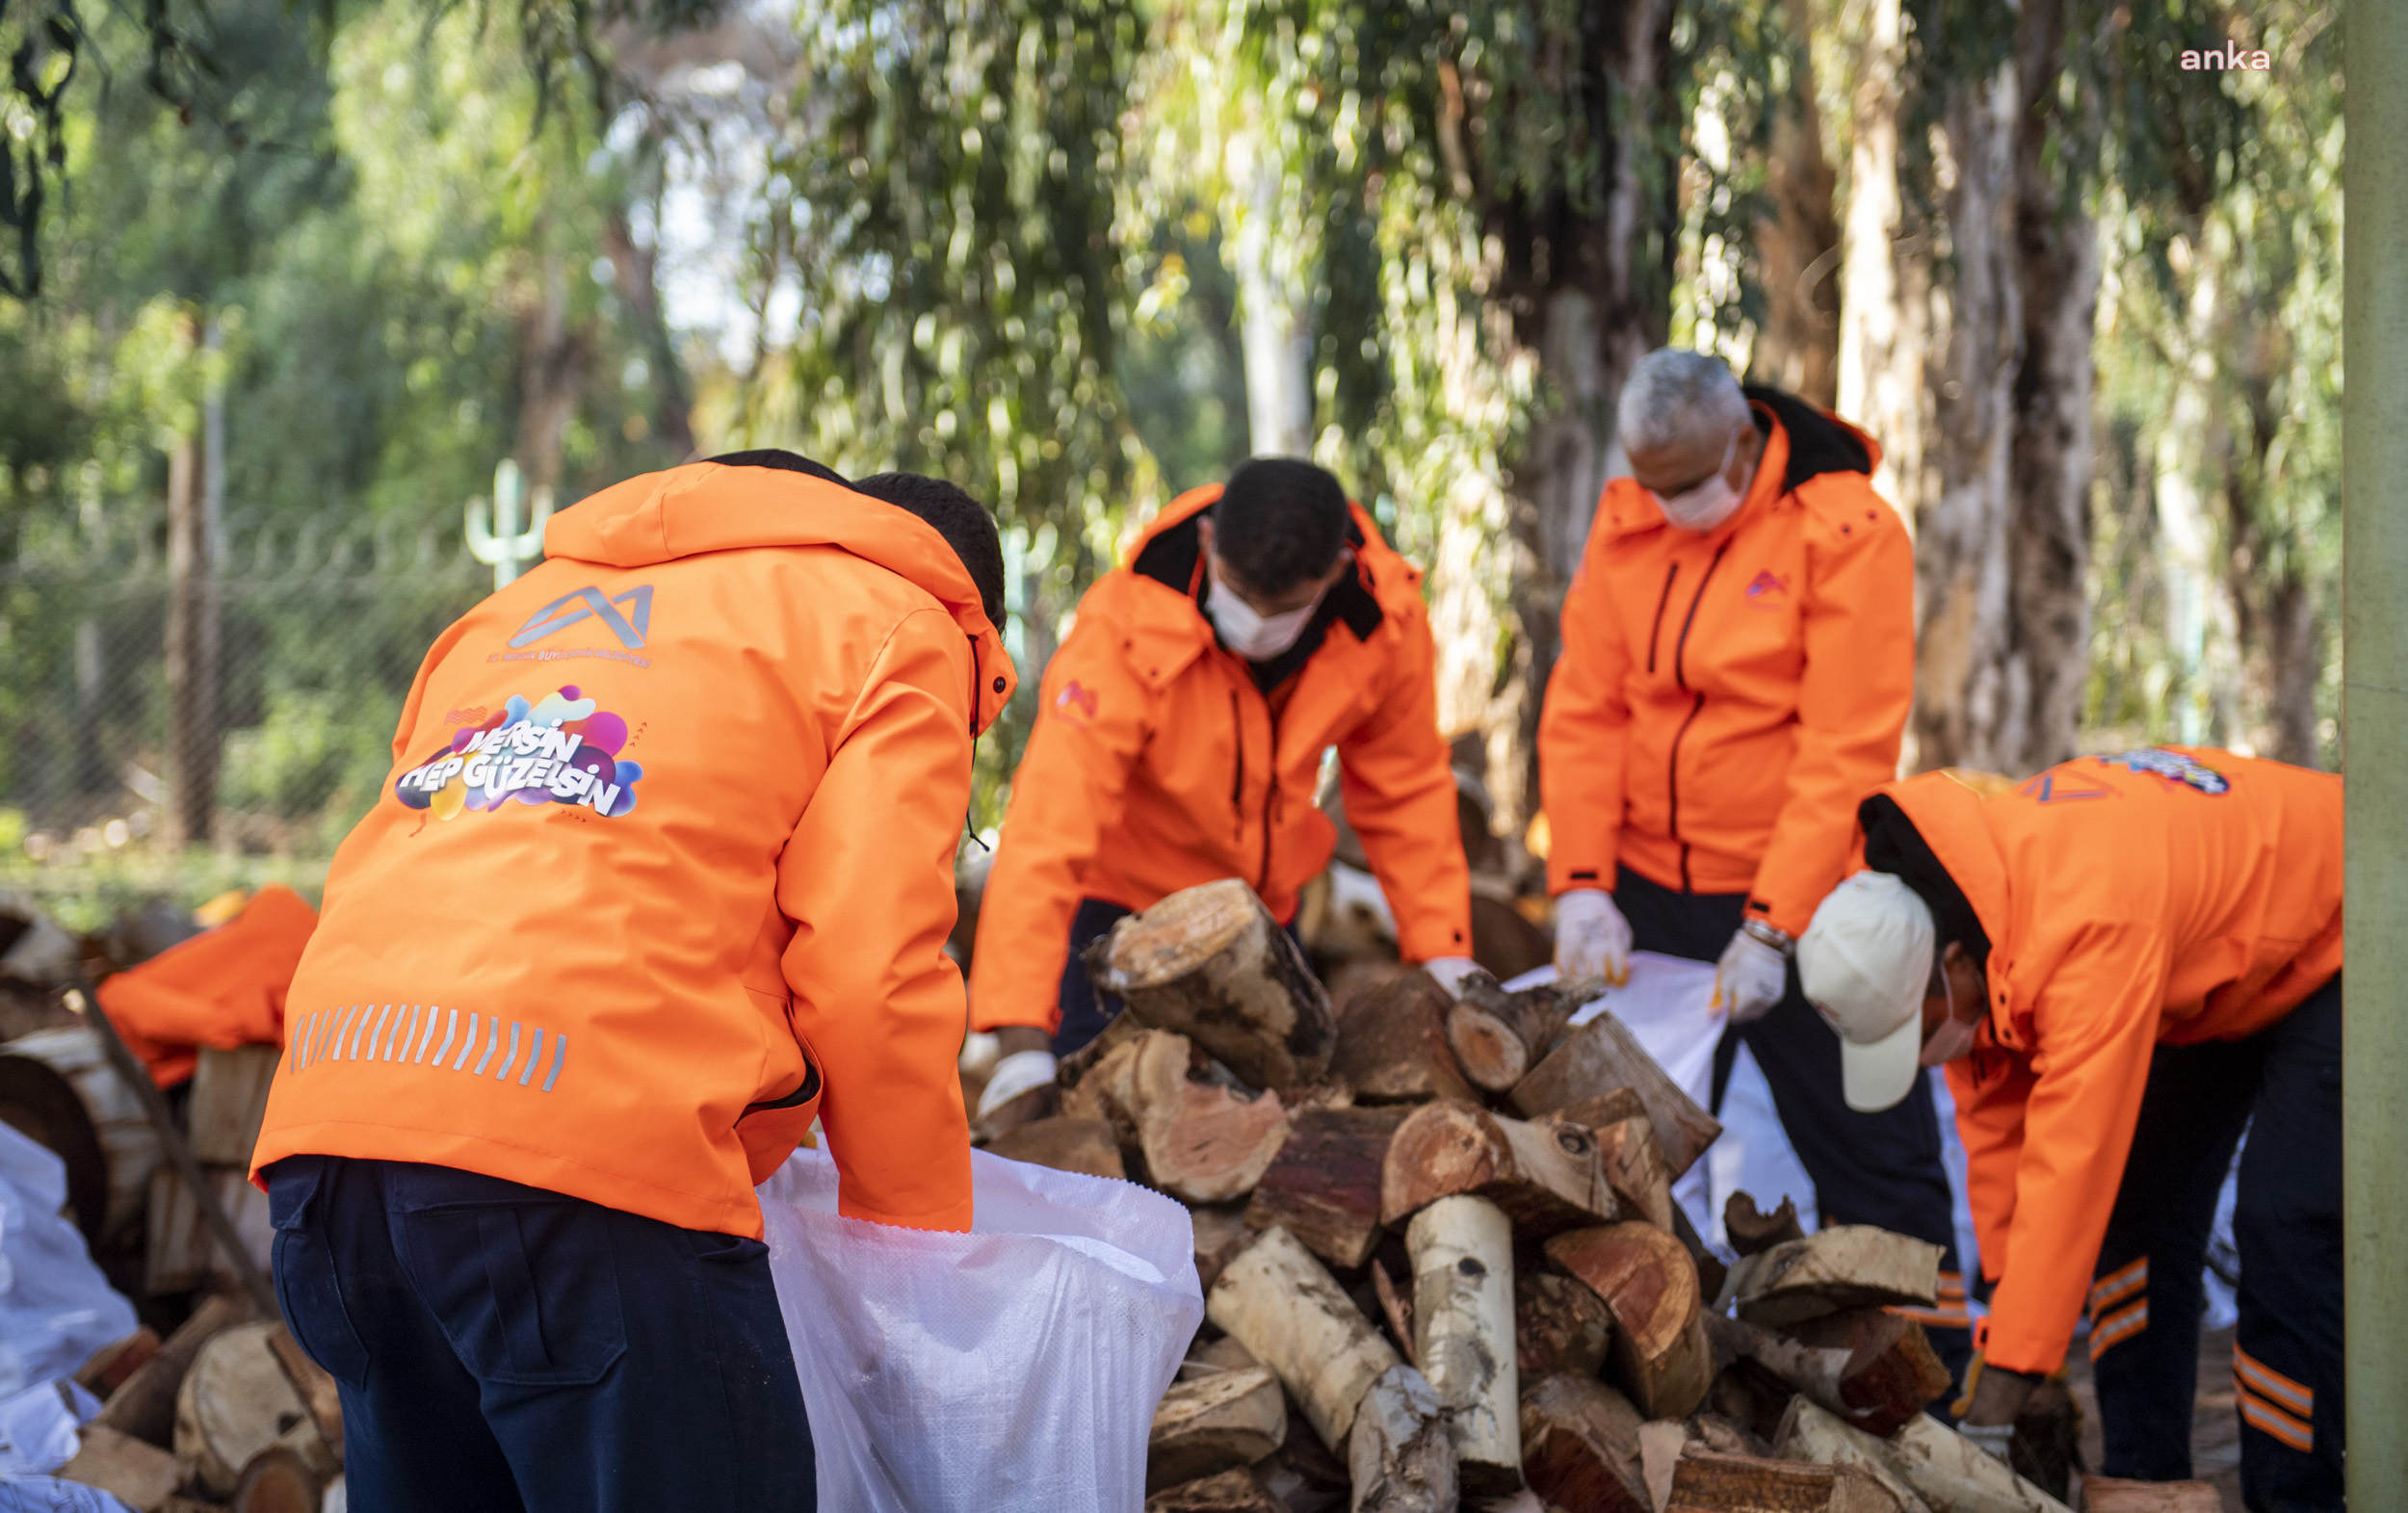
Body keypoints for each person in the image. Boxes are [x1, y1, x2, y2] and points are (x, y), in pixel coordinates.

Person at [249, 451, 1014, 1513]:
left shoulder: (516, 608)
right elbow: (869, 971)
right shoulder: (897, 620)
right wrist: (912, 1254)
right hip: (577, 1173)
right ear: (973, 611)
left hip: (328, 1146)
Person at [1535, 348, 1973, 1355]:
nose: (1668, 505)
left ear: (1743, 438)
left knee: (1873, 1150)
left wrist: (1772, 924)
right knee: (1609, 1150)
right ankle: (1636, 1369)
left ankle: (1930, 1391)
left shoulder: (1847, 531)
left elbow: (1843, 748)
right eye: (1653, 485)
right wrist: (1582, 883)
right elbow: (1585, 710)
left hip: (1804, 890)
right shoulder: (1628, 516)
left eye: (1688, 485)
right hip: (1646, 886)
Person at [1798, 748, 2343, 1510]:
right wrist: (2013, 1348)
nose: (1922, 1058)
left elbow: (2071, 1168)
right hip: (2214, 966)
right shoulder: (1962, 929)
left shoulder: (2084, 926)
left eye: (1913, 1033)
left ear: (1950, 967)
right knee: (2137, 1221)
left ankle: (2301, 1498)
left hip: (2341, 925)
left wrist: (2003, 1393)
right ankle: (2143, 1485)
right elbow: (2000, 1158)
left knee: (2284, 1225)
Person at [968, 457, 1476, 1106]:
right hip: (1118, 920)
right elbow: (1048, 826)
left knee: (1273, 1132)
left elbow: (1405, 793)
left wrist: (1446, 953)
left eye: (1283, 607)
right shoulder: (1123, 630)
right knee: (1097, 1130)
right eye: (1240, 594)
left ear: (1334, 574)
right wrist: (1019, 1042)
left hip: (1257, 921)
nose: (1258, 623)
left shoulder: (1383, 623)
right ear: (1208, 541)